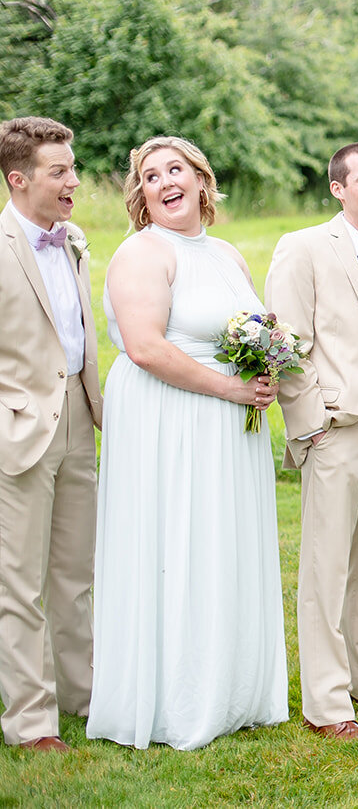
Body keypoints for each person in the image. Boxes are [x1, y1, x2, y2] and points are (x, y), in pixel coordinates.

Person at [87, 136, 288, 750]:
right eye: (150, 176)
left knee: (221, 542)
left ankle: (229, 691)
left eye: (175, 169)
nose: (164, 181)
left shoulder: (227, 254)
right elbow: (145, 348)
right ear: (142, 198)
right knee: (176, 540)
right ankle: (173, 700)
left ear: (202, 181)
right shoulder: (144, 253)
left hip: (226, 428)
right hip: (169, 418)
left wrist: (265, 371)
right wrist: (231, 389)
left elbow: (248, 332)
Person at [265, 143, 358, 741]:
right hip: (337, 425)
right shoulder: (302, 248)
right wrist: (312, 423)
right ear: (337, 188)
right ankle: (327, 703)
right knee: (326, 565)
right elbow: (288, 341)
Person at [0, 117, 101, 753]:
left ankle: (83, 698)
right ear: (18, 179)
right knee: (21, 581)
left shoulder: (72, 241)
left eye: (73, 168)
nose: (73, 181)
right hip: (19, 426)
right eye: (58, 171)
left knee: (74, 573)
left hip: (80, 419)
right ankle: (31, 721)